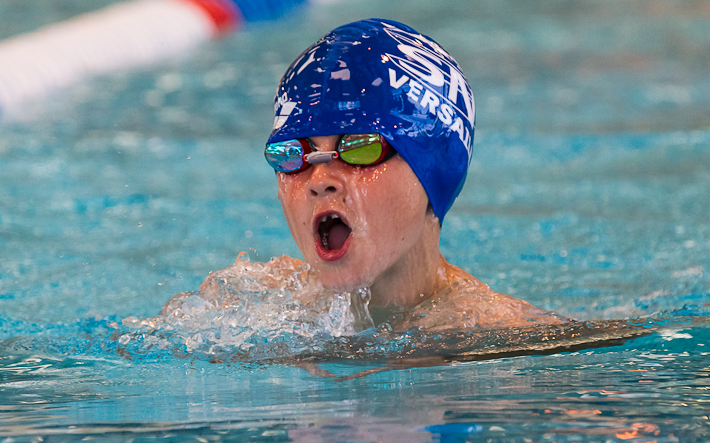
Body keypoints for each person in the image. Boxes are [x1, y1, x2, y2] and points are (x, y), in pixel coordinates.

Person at [164, 18, 564, 332]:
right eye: (296, 153)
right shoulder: (241, 308)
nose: (319, 179)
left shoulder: (502, 339)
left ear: (434, 171)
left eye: (359, 147)